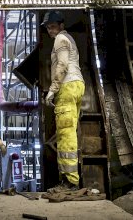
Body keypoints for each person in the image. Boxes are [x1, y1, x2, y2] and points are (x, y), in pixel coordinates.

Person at [41, 11, 85, 192]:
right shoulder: (69, 39)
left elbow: (62, 65)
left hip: (67, 86)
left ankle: (70, 181)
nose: (50, 30)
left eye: (53, 26)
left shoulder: (60, 39)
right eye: (48, 28)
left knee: (65, 134)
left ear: (61, 25)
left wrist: (52, 90)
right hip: (77, 85)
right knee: (70, 132)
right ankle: (71, 179)